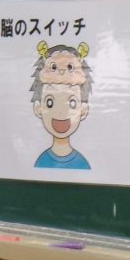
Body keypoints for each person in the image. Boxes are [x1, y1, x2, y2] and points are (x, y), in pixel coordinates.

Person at [29, 41, 93, 169]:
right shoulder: (40, 163)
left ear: (83, 110)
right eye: (50, 102)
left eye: (72, 103)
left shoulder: (83, 164)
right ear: (38, 108)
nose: (61, 112)